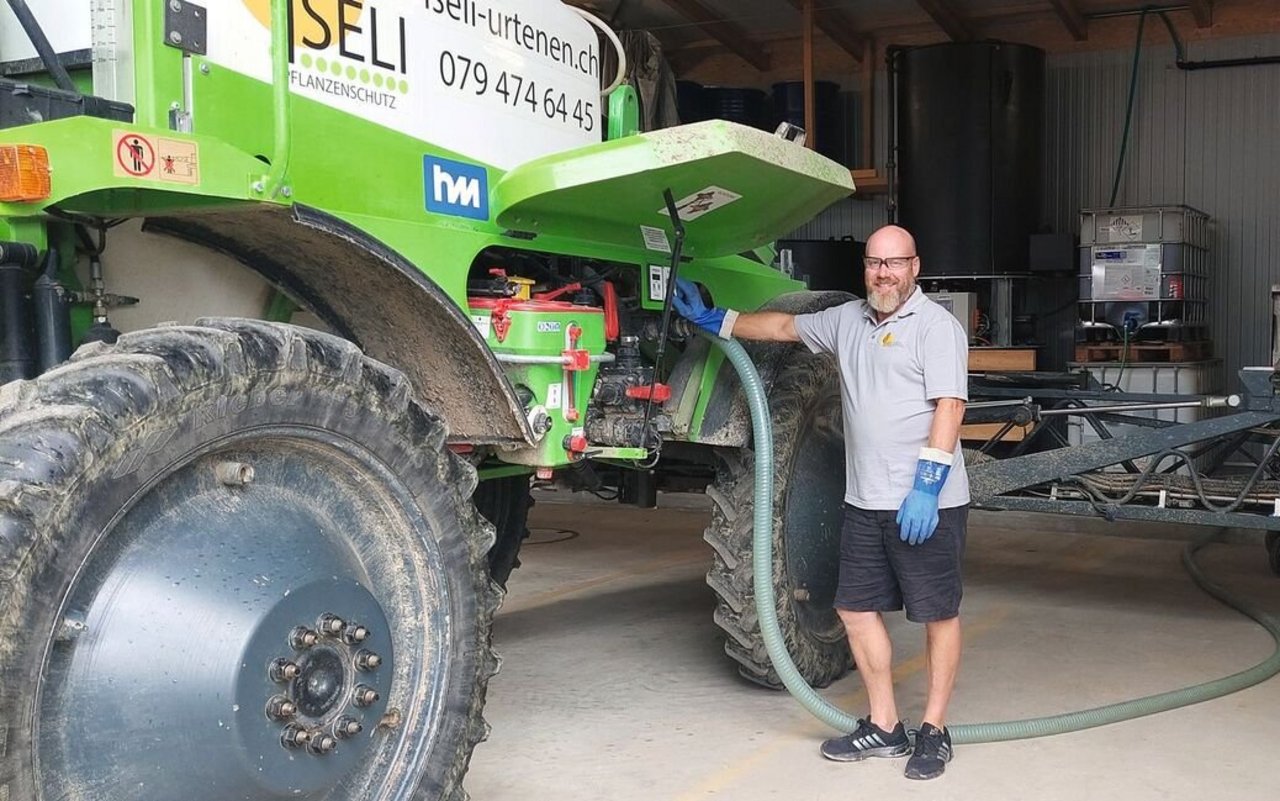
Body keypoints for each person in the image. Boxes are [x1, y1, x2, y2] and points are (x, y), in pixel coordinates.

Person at [672, 224, 969, 781]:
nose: (883, 273)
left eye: (895, 263)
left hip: (926, 500)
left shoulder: (937, 327)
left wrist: (927, 486)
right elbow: (784, 326)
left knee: (936, 614)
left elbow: (950, 407)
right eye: (874, 262)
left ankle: (934, 728)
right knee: (855, 610)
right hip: (863, 501)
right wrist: (721, 321)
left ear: (915, 267)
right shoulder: (847, 320)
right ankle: (884, 725)